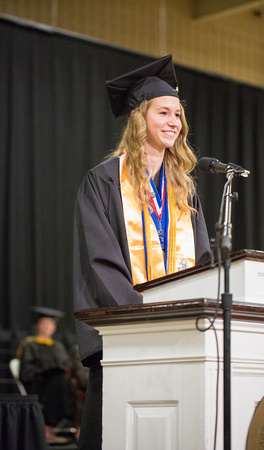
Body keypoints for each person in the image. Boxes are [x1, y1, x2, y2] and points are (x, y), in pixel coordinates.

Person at [73, 54, 212, 449]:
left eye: (178, 115)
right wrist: (142, 320)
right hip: (124, 335)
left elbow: (200, 263)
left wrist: (190, 315)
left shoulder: (183, 189)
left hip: (180, 335)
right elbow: (99, 261)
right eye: (164, 112)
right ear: (140, 118)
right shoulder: (103, 181)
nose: (174, 122)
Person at [17, 306, 80, 444]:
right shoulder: (29, 345)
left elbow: (67, 366)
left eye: (50, 323)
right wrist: (46, 371)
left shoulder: (58, 346)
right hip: (38, 385)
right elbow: (26, 373)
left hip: (60, 384)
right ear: (37, 325)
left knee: (75, 383)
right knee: (62, 382)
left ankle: (76, 427)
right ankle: (55, 425)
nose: (47, 326)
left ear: (54, 327)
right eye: (44, 323)